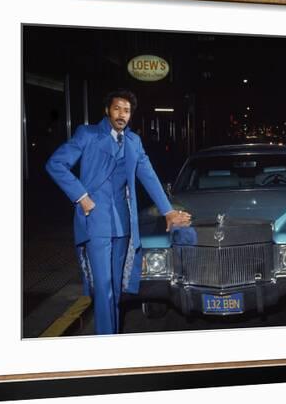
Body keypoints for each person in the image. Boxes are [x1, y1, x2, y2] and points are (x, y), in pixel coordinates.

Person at [46, 89, 191, 334]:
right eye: (117, 109)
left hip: (124, 225)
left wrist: (168, 212)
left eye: (126, 110)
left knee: (115, 287)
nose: (122, 114)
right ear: (107, 110)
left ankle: (111, 336)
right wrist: (81, 196)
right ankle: (106, 341)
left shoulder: (134, 142)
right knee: (103, 288)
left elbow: (150, 177)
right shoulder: (88, 134)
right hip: (95, 222)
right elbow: (55, 164)